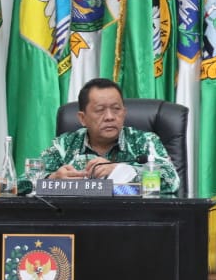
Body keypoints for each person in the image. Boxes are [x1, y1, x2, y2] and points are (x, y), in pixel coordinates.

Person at [32, 78, 180, 194]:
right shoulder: (64, 145)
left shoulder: (145, 141)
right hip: (77, 223)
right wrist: (52, 179)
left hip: (133, 222)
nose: (110, 117)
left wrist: (122, 170)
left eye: (116, 109)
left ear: (124, 113)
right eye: (100, 110)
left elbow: (171, 180)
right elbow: (23, 181)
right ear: (82, 118)